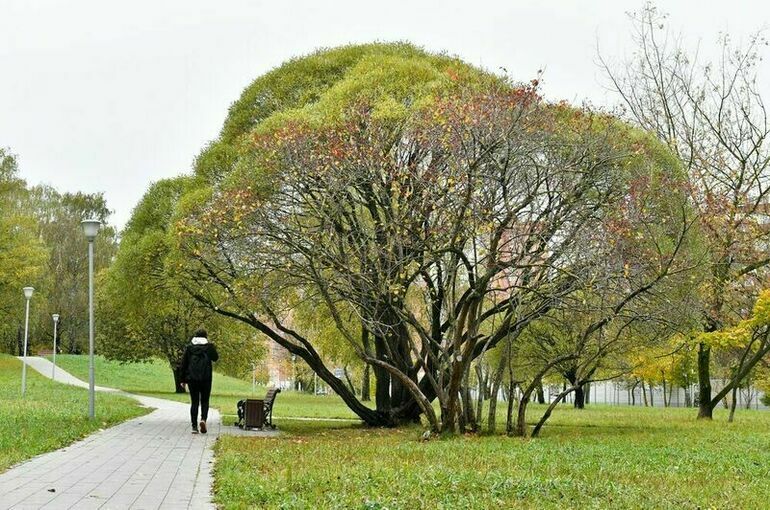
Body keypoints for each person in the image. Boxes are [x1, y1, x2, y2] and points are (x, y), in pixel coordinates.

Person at [180, 328, 219, 434]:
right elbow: (215, 358)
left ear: (195, 336)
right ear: (205, 336)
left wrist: (182, 380)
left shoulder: (189, 347)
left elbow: (184, 364)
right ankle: (203, 419)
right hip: (206, 378)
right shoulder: (209, 347)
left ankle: (194, 427)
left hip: (192, 379)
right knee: (205, 401)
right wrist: (212, 347)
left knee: (194, 402)